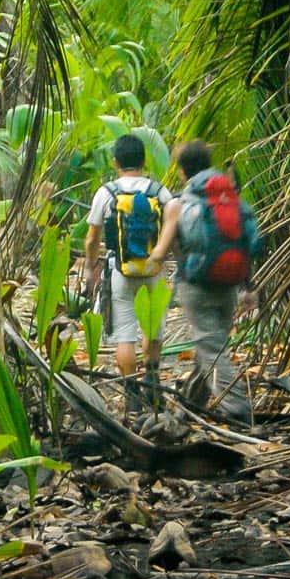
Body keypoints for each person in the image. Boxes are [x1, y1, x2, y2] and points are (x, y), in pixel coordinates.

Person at [149, 140, 261, 424]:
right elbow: (247, 241)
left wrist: (148, 261)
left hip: (196, 284)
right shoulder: (232, 198)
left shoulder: (180, 204)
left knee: (211, 347)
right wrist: (249, 287)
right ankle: (191, 403)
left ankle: (236, 407)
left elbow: (161, 252)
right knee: (212, 344)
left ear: (182, 171)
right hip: (230, 282)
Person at [81, 133, 176, 398]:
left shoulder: (107, 192)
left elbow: (91, 239)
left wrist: (90, 268)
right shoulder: (159, 191)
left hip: (120, 271)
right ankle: (153, 382)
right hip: (154, 269)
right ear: (144, 161)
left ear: (115, 163)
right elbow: (172, 227)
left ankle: (132, 393)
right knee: (152, 327)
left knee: (125, 334)